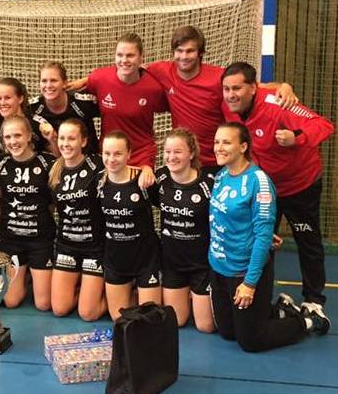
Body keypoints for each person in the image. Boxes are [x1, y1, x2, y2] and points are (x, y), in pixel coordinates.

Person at [69, 26, 297, 174]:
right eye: (179, 51)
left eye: (190, 51)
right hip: (185, 160)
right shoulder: (161, 71)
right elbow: (115, 74)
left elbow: (253, 86)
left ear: (200, 53)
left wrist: (284, 86)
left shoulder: (217, 77)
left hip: (218, 159)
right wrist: (77, 82)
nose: (184, 56)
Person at [220, 61, 335, 314]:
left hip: (300, 185)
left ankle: (313, 301)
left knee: (308, 242)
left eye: (237, 88)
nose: (231, 95)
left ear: (253, 88)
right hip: (265, 189)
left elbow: (323, 125)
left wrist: (296, 137)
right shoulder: (228, 107)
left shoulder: (277, 104)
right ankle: (258, 298)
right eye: (226, 89)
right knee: (259, 242)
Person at [208, 122, 329, 353]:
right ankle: (279, 309)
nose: (219, 147)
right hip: (219, 269)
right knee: (228, 333)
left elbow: (263, 237)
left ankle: (306, 321)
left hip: (244, 271)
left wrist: (249, 283)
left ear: (243, 147)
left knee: (251, 342)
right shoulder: (221, 176)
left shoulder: (259, 182)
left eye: (226, 142)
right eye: (216, 142)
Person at [150, 128, 215, 332]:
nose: (171, 157)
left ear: (191, 153)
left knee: (205, 326)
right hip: (173, 263)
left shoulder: (208, 184)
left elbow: (226, 214)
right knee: (177, 320)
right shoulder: (160, 178)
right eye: (167, 152)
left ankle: (198, 294)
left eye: (177, 152)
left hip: (201, 264)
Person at [84, 33, 168, 186]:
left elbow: (173, 105)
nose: (124, 60)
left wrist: (147, 165)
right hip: (110, 156)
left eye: (130, 55)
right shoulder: (99, 78)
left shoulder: (153, 88)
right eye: (120, 55)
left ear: (141, 58)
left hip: (140, 157)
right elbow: (80, 88)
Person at [0, 115, 56, 310]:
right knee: (11, 302)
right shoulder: (0, 164)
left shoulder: (47, 162)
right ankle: (26, 279)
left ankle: (42, 280)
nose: (13, 141)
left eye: (18, 135)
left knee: (43, 304)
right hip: (11, 240)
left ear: (29, 135)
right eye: (8, 137)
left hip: (41, 240)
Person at [98, 131, 161, 321]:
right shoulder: (98, 182)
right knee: (119, 319)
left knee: (150, 319)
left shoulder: (143, 180)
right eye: (107, 153)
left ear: (129, 154)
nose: (111, 159)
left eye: (118, 154)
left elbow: (167, 206)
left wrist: (146, 168)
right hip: (116, 260)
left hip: (145, 260)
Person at [49, 118, 107, 321]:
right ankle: (85, 288)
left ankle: (120, 293)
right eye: (62, 138)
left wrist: (145, 169)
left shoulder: (98, 165)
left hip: (95, 248)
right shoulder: (54, 169)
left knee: (88, 314)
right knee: (59, 309)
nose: (65, 144)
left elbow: (123, 171)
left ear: (83, 141)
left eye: (71, 139)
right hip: (67, 246)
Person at [0, 77, 58, 162]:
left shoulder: (38, 124)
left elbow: (59, 156)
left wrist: (52, 139)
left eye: (7, 98)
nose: (2, 103)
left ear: (20, 99)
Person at [30, 61, 99, 154]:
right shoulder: (32, 108)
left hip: (90, 158)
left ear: (65, 83)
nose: (48, 85)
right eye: (44, 81)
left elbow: (108, 79)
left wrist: (85, 80)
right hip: (53, 160)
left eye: (54, 80)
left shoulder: (84, 102)